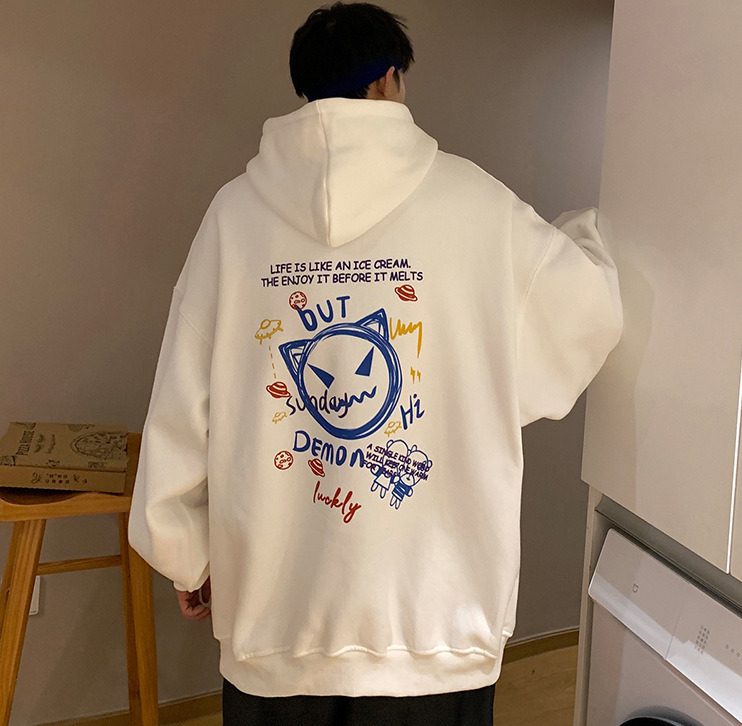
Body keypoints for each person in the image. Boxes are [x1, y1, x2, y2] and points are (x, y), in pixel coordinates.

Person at [128, 3, 623, 724]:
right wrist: (593, 231)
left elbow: (181, 399)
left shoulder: (233, 217)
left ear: (305, 87)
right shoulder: (476, 204)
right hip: (435, 629)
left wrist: (185, 551)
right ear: (391, 79)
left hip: (274, 628)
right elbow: (585, 313)